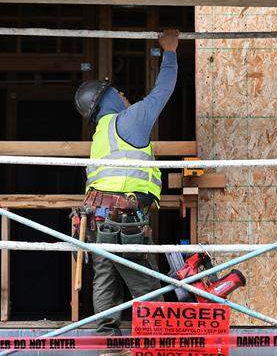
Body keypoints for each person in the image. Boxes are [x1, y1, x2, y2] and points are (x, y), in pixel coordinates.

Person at [72, 29, 180, 349]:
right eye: (117, 92)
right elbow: (163, 91)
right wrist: (170, 51)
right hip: (123, 217)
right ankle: (157, 341)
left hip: (97, 215)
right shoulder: (130, 120)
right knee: (143, 279)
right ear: (108, 99)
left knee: (104, 277)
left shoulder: (101, 133)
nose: (124, 95)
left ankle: (109, 345)